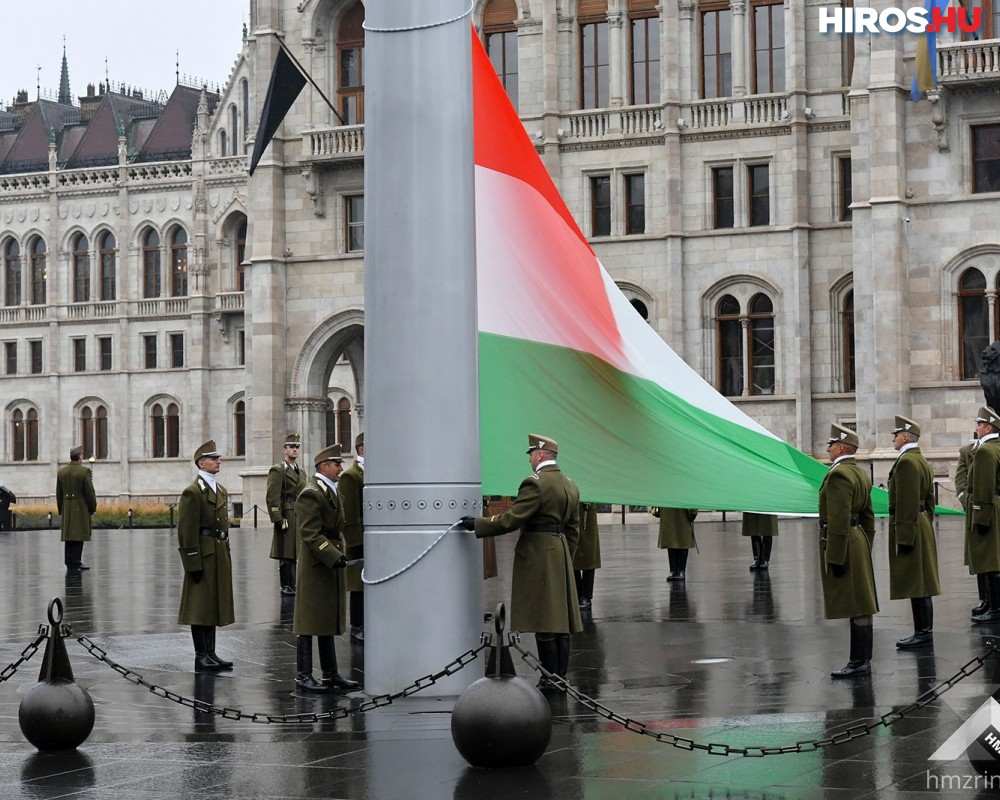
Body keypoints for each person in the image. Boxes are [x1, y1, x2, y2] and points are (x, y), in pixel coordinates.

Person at [459, 433, 581, 690]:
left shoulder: (535, 483)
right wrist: (564, 557)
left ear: (539, 455)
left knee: (545, 619)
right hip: (559, 551)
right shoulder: (570, 484)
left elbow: (512, 519)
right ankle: (560, 676)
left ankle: (549, 679)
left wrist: (478, 524)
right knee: (561, 622)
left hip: (539, 552)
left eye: (531, 456)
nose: (530, 461)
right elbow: (574, 529)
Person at [293, 443, 360, 694]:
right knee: (309, 621)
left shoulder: (330, 490)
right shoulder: (311, 493)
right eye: (337, 464)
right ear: (324, 466)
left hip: (329, 562)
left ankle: (331, 674)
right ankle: (303, 675)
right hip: (316, 565)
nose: (341, 468)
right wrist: (334, 555)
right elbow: (310, 533)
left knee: (326, 618)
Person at [819, 423, 878, 678]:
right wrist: (866, 543)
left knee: (856, 604)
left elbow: (838, 519)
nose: (828, 449)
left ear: (841, 447)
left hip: (845, 541)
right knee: (862, 603)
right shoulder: (861, 473)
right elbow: (869, 516)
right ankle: (862, 658)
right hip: (859, 540)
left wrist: (834, 555)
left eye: (830, 445)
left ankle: (858, 661)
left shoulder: (839, 475)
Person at [177, 440, 234, 673]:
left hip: (218, 552)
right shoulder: (193, 492)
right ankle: (201, 655)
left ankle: (211, 653)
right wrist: (192, 562)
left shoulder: (219, 489)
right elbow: (186, 530)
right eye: (213, 458)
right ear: (202, 463)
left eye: (218, 458)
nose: (218, 461)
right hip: (203, 554)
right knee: (199, 607)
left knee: (212, 606)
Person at [887, 416, 941, 648]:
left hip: (911, 524)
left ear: (906, 437)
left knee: (917, 582)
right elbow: (930, 499)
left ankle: (923, 633)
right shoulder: (920, 460)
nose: (893, 439)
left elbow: (907, 502)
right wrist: (926, 520)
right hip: (921, 523)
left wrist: (904, 536)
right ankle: (924, 631)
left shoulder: (907, 462)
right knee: (922, 581)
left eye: (896, 435)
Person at [969, 407, 1000, 625]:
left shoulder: (985, 451)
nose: (977, 428)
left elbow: (982, 487)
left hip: (990, 507)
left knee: (990, 560)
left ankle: (995, 608)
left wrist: (979, 517)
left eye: (979, 424)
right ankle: (992, 605)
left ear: (988, 427)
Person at [265, 433, 306, 597]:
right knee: (286, 551)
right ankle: (286, 584)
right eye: (291, 447)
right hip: (287, 513)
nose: (295, 450)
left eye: (297, 447)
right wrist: (278, 518)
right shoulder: (278, 470)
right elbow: (272, 496)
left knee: (296, 550)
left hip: (298, 513)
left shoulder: (301, 471)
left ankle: (293, 583)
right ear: (285, 450)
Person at [337, 432, 365, 643]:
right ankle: (357, 625)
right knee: (357, 586)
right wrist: (355, 542)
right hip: (360, 541)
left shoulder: (370, 472)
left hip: (372, 539)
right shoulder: (351, 475)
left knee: (368, 585)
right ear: (362, 449)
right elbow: (349, 514)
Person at [956, 430, 987, 618]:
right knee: (980, 554)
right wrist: (967, 501)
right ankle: (984, 598)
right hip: (977, 508)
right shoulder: (968, 450)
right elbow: (960, 479)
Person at [56, 445, 97, 571]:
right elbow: (89, 492)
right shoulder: (84, 471)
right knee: (79, 535)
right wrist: (92, 507)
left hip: (67, 507)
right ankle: (76, 561)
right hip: (80, 506)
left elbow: (59, 493)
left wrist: (61, 509)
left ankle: (69, 561)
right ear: (79, 457)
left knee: (69, 536)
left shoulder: (61, 471)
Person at [653, 507, 698, 582]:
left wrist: (693, 511)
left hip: (679, 512)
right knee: (672, 540)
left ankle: (679, 570)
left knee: (681, 540)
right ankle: (676, 570)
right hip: (671, 511)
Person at [573, 502, 601, 610]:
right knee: (572, 553)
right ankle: (576, 593)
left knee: (589, 554)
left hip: (586, 509)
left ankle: (586, 595)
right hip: (571, 506)